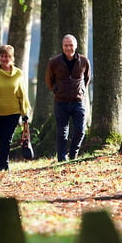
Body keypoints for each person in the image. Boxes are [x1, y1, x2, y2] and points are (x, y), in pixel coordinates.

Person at [45, 34, 90, 162]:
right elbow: (49, 80)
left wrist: (81, 91)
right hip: (61, 102)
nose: (68, 48)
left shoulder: (84, 61)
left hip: (78, 102)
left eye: (71, 45)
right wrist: (56, 90)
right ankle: (61, 158)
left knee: (80, 131)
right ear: (62, 46)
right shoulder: (54, 62)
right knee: (61, 132)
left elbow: (87, 78)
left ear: (75, 46)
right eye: (66, 45)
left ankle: (73, 154)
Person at [0, 45, 31, 172]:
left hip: (13, 111)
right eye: (3, 56)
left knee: (7, 138)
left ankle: (1, 165)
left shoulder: (18, 73)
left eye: (8, 56)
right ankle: (5, 163)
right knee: (1, 139)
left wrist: (24, 112)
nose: (5, 59)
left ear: (12, 58)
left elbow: (22, 94)